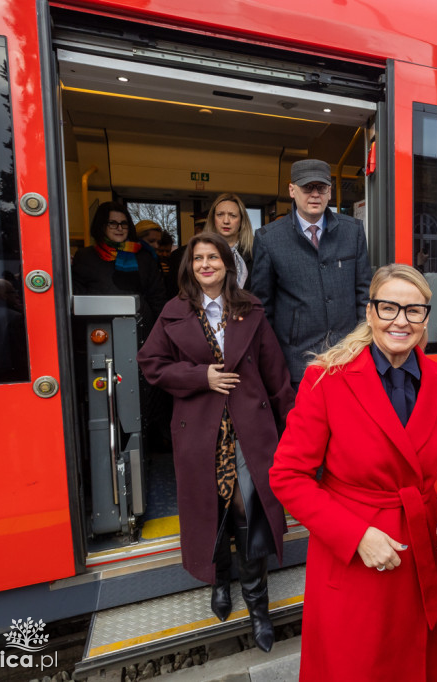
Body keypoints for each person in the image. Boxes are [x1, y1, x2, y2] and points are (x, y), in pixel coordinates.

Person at [269, 264, 437, 681]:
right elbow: (287, 475)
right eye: (388, 308)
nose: (400, 321)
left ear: (426, 318)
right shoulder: (327, 379)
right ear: (370, 313)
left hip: (419, 554)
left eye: (413, 311)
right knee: (354, 665)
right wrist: (355, 537)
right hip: (355, 559)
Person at [137, 231, 294, 653]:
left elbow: (276, 374)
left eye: (214, 257)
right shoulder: (173, 312)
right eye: (198, 258)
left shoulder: (251, 310)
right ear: (189, 266)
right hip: (199, 430)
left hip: (250, 429)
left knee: (250, 514)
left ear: (228, 264)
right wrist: (199, 376)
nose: (206, 264)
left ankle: (258, 608)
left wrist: (290, 429)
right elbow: (151, 364)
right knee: (213, 512)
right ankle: (220, 582)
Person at [248, 159, 371, 386]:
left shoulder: (352, 231)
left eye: (321, 187)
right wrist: (272, 362)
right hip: (297, 362)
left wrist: (361, 345)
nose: (315, 194)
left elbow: (364, 293)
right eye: (307, 187)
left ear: (330, 192)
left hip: (349, 356)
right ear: (292, 190)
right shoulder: (269, 239)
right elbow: (263, 308)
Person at [71, 201, 166, 340]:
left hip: (141, 330)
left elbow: (157, 297)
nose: (119, 228)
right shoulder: (85, 257)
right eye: (113, 223)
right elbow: (78, 297)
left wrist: (162, 332)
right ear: (101, 225)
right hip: (98, 330)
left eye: (124, 223)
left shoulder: (144, 256)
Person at [207, 193, 255, 288]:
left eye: (232, 215)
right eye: (220, 215)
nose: (226, 221)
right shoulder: (201, 252)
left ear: (242, 220)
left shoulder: (255, 252)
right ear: (213, 219)